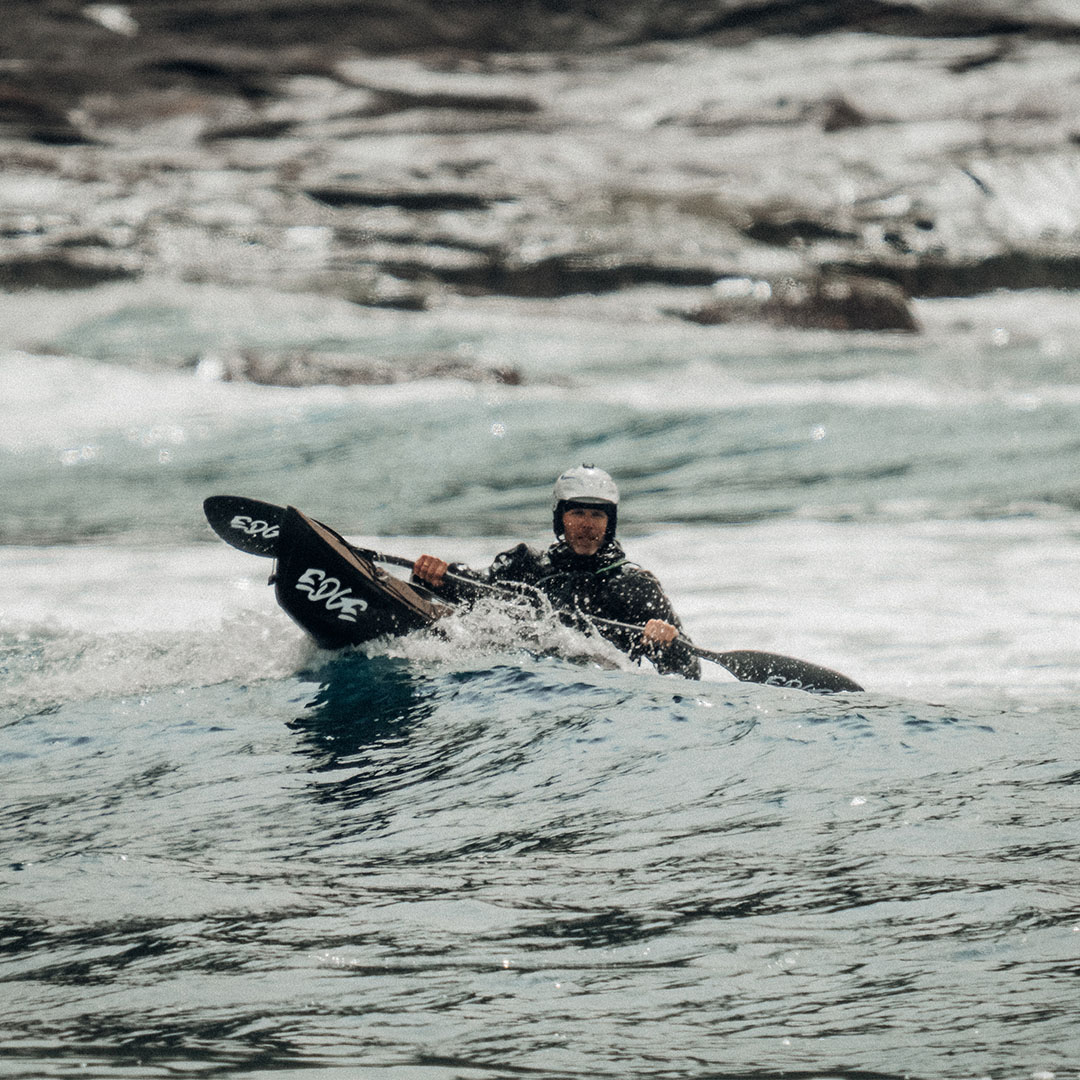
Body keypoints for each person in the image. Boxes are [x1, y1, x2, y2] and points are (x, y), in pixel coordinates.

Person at [412, 465, 701, 678]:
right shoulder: (524, 565)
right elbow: (473, 590)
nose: (587, 524)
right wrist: (439, 577)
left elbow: (688, 670)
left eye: (597, 515)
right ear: (559, 518)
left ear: (609, 523)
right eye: (577, 513)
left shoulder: (635, 586)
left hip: (603, 691)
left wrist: (667, 642)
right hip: (525, 682)